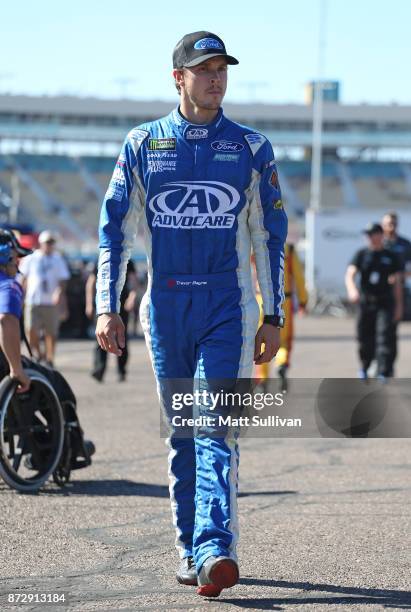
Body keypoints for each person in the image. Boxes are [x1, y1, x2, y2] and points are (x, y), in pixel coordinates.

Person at [95, 31, 287, 597]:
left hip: (228, 306)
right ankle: (189, 546)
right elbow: (114, 232)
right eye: (204, 70)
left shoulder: (252, 147)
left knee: (214, 426)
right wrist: (108, 308)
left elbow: (269, 235)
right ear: (177, 77)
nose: (216, 78)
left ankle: (215, 548)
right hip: (167, 305)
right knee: (182, 431)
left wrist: (272, 315)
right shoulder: (142, 143)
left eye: (222, 69)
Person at [345, 222, 403, 380]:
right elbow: (350, 274)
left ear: (380, 235)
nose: (369, 238)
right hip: (366, 302)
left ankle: (384, 370)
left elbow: (397, 283)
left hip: (385, 302)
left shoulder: (391, 256)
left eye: (372, 234)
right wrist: (352, 290)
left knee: (384, 335)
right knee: (364, 336)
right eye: (368, 235)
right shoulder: (361, 254)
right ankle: (365, 366)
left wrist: (399, 306)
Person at [255, 243, 307, 392]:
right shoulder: (289, 250)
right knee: (284, 341)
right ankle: (281, 365)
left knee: (261, 340)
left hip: (260, 301)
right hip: (283, 303)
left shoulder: (256, 244)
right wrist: (303, 300)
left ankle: (262, 381)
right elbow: (298, 277)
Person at [19, 230, 70, 367]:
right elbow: (23, 278)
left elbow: (63, 280)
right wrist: (20, 297)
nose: (50, 245)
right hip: (33, 299)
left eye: (52, 242)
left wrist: (59, 293)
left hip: (51, 302)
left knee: (51, 332)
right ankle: (39, 354)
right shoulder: (31, 258)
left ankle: (50, 357)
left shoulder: (58, 259)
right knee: (30, 329)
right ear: (41, 243)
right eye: (47, 242)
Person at [86, 259, 137, 382]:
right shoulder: (101, 258)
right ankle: (99, 370)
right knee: (101, 336)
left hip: (121, 304)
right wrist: (89, 304)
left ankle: (121, 371)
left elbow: (134, 281)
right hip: (103, 305)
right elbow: (91, 283)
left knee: (121, 338)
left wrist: (132, 297)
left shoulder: (127, 260)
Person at [0, 228, 32, 392]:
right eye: (16, 258)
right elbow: (6, 319)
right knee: (55, 382)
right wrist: (16, 369)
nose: (18, 264)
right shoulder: (8, 285)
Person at [381, 211, 411, 372]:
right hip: (378, 292)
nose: (390, 227)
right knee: (377, 329)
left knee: (391, 330)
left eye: (393, 223)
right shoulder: (378, 243)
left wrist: (400, 275)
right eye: (387, 224)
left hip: (397, 292)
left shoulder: (405, 245)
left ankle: (388, 366)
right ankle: (376, 362)